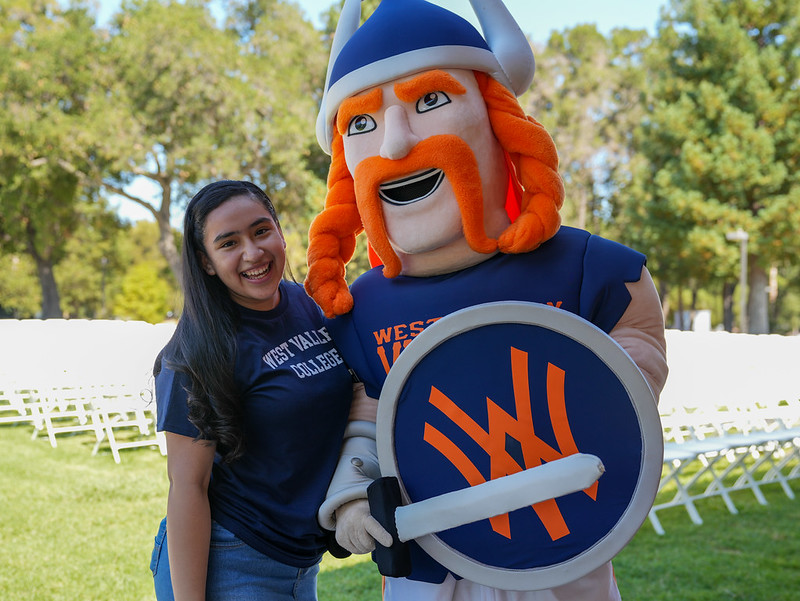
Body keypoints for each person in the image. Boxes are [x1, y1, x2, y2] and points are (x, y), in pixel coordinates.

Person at [304, 1, 669, 600]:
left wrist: (612, 388)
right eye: (363, 123)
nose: (395, 143)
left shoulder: (582, 269)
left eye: (429, 102)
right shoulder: (362, 308)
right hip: (430, 565)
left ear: (499, 121)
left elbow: (635, 349)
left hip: (561, 558)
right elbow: (369, 416)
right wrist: (352, 492)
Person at [149, 180, 355, 601]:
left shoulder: (309, 305)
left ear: (280, 232)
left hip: (300, 557)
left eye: (261, 231)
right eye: (229, 243)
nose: (253, 253)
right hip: (232, 558)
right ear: (206, 263)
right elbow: (188, 485)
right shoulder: (195, 354)